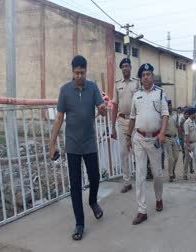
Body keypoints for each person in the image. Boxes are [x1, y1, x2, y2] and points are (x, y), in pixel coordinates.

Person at [49, 55, 106, 240]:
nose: (79, 76)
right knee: (75, 186)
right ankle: (79, 224)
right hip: (72, 145)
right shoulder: (65, 90)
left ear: (86, 71)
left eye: (82, 72)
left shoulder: (93, 87)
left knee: (95, 178)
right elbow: (58, 118)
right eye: (76, 73)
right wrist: (52, 144)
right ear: (72, 72)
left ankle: (92, 201)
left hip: (89, 143)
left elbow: (101, 106)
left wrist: (103, 109)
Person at [126, 63, 169, 225]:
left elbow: (165, 115)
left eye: (148, 74)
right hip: (138, 138)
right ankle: (142, 210)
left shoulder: (160, 94)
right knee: (140, 175)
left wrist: (163, 133)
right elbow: (131, 117)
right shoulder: (136, 96)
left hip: (155, 139)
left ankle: (158, 198)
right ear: (141, 77)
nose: (146, 77)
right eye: (143, 74)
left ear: (152, 76)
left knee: (157, 174)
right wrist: (128, 136)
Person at [111, 58, 140, 193]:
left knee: (137, 152)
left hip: (135, 121)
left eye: (127, 66)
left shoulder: (137, 83)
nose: (125, 68)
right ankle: (127, 182)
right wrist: (112, 127)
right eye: (123, 66)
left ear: (131, 68)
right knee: (123, 153)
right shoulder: (117, 84)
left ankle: (140, 179)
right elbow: (115, 105)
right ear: (121, 69)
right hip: (122, 121)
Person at [184, 107, 196, 182]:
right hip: (189, 144)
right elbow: (187, 135)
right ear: (192, 114)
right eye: (195, 112)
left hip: (195, 143)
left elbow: (195, 131)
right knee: (187, 159)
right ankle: (185, 174)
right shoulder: (186, 123)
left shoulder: (194, 121)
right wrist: (188, 146)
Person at [164, 99, 179, 182]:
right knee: (170, 158)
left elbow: (176, 126)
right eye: (168, 105)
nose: (170, 107)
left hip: (175, 137)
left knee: (176, 157)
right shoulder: (164, 115)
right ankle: (170, 175)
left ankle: (172, 170)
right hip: (167, 138)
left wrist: (178, 139)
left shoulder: (174, 115)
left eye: (170, 105)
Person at [179, 108, 193, 173]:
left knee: (191, 154)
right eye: (186, 114)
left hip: (190, 139)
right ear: (184, 114)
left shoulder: (191, 120)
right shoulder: (182, 121)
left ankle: (191, 168)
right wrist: (180, 140)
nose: (187, 115)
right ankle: (185, 167)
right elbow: (180, 131)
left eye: (188, 114)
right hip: (183, 139)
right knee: (185, 154)